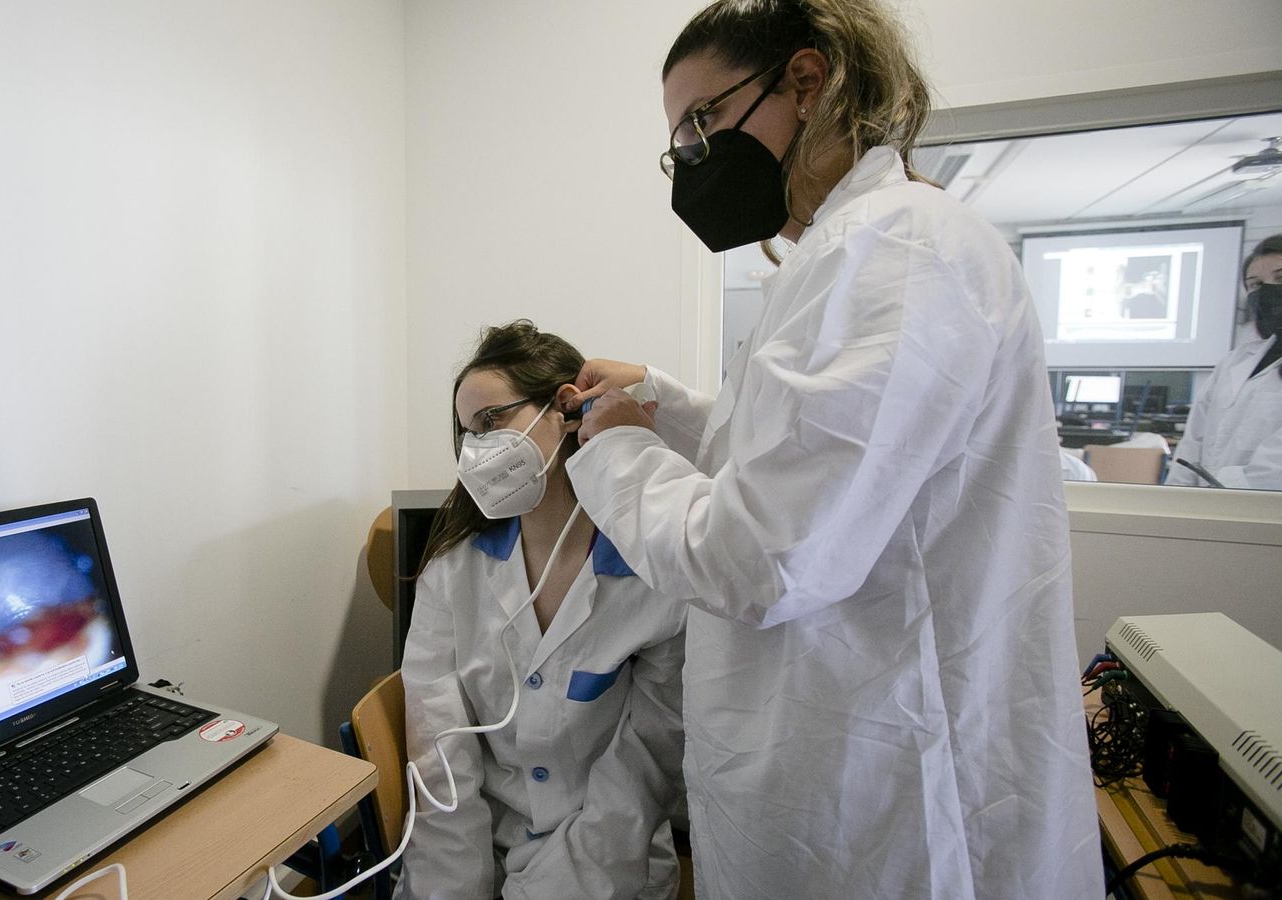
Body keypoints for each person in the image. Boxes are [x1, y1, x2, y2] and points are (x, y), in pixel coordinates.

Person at [561, 2, 1102, 898]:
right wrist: (658, 402)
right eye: (679, 145)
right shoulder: (848, 250)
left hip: (893, 794)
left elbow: (763, 554)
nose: (693, 161)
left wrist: (616, 454)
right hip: (839, 761)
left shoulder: (892, 248)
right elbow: (799, 452)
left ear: (806, 84)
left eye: (702, 124)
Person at [398, 320, 688, 900]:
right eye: (466, 433)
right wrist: (458, 889)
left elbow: (643, 773)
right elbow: (440, 764)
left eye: (492, 420)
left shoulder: (654, 581)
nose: (478, 450)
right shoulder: (452, 575)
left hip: (610, 864)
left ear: (566, 407)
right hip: (483, 853)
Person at [1166, 234, 1282, 489]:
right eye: (1256, 285)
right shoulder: (1235, 361)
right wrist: (1175, 500)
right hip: (1209, 508)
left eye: (1280, 278)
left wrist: (1219, 487)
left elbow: (1275, 469)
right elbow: (1193, 440)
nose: (1268, 292)